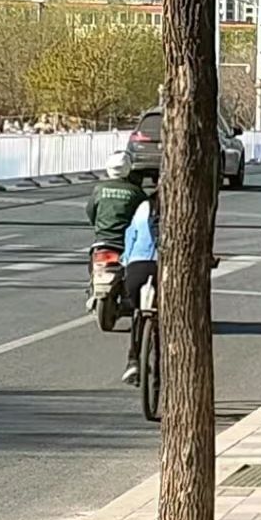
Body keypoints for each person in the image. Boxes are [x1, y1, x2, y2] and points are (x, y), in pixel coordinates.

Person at [119, 192, 159, 385]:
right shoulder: (180, 210)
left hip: (136, 268)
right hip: (162, 267)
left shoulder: (143, 207)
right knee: (163, 317)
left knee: (139, 312)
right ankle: (160, 376)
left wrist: (126, 261)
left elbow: (130, 236)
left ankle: (133, 360)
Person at [87, 151, 147, 247]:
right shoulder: (135, 191)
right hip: (126, 240)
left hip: (102, 238)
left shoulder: (99, 189)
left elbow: (90, 212)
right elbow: (145, 216)